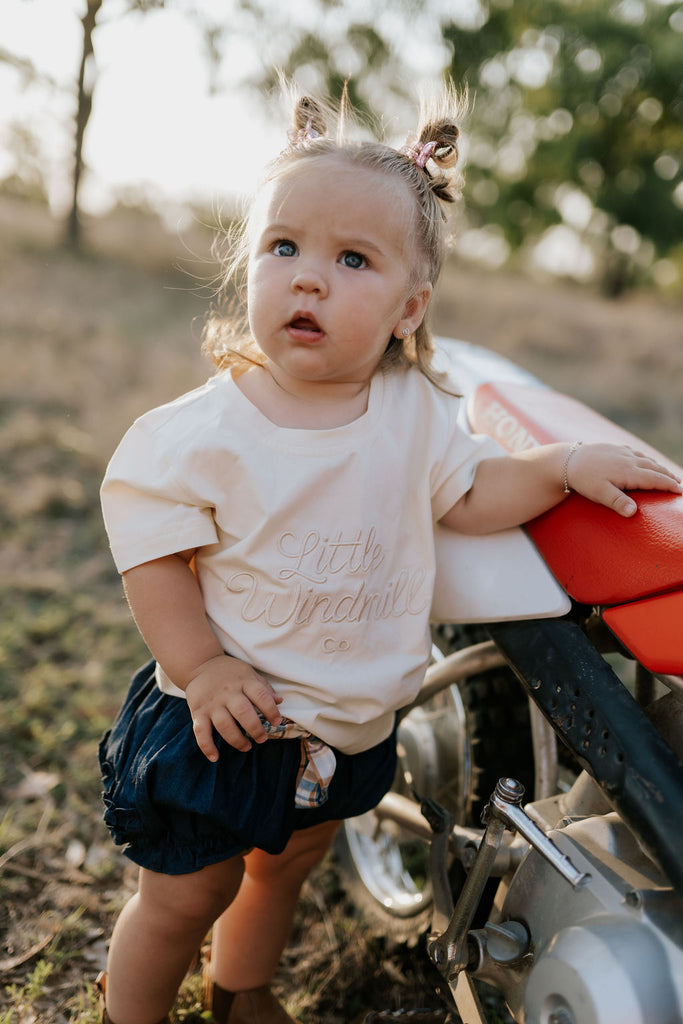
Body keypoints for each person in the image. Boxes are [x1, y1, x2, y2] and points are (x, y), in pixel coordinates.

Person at [97, 89, 681, 1024]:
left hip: (343, 727)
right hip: (220, 719)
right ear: (250, 266)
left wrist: (559, 466)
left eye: (351, 258)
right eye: (283, 247)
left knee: (285, 867)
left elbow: (473, 494)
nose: (307, 279)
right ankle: (133, 1011)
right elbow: (154, 553)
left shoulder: (414, 413)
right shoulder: (207, 428)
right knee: (182, 897)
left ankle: (240, 985)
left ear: (409, 306)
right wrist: (199, 667)